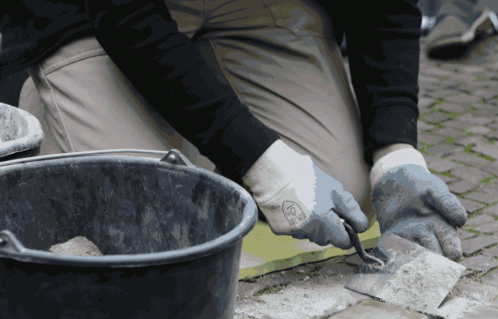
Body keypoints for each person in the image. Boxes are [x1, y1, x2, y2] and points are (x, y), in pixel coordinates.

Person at [0, 1, 468, 264]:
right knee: (147, 229)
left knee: (345, 189)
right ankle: (38, 104)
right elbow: (125, 15)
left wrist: (394, 152)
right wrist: (265, 167)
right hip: (96, 12)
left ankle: (193, 108)